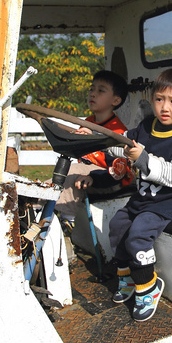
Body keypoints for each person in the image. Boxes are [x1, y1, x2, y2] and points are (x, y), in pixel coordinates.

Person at [77, 68, 172, 322]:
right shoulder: (146, 126)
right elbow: (121, 142)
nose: (164, 107)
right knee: (118, 226)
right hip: (143, 198)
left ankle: (148, 287)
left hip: (168, 202)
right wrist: (98, 139)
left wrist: (143, 159)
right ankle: (127, 279)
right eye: (159, 99)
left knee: (138, 235)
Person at [54, 70, 129, 226]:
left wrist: (94, 178)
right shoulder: (88, 122)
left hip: (109, 179)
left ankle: (68, 223)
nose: (93, 94)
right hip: (86, 171)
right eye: (91, 89)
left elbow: (119, 171)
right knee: (58, 176)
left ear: (115, 100)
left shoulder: (118, 132)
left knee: (72, 176)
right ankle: (41, 208)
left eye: (100, 91)